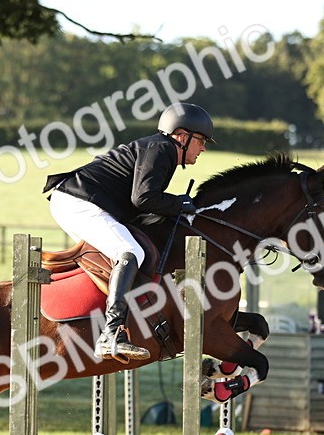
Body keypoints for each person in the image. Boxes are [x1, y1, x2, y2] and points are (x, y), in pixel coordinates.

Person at [43, 102, 213, 362]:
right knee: (129, 251)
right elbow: (143, 198)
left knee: (133, 248)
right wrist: (179, 203)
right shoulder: (162, 149)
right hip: (78, 202)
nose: (202, 148)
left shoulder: (161, 150)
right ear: (182, 136)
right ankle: (110, 333)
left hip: (85, 201)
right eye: (201, 141)